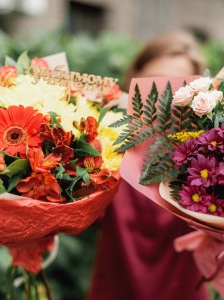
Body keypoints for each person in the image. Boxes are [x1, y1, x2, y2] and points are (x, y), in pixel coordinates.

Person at [86, 31, 211, 300]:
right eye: (153, 83)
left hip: (184, 289)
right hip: (116, 286)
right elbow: (81, 212)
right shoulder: (106, 137)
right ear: (135, 78)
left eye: (178, 87)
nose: (164, 96)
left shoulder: (212, 149)